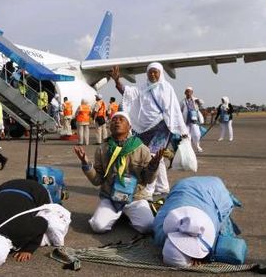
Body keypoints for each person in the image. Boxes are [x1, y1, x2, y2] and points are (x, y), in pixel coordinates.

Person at [74, 111, 162, 233]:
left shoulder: (141, 149)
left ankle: (125, 214)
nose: (117, 121)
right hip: (111, 197)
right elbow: (97, 180)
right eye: (114, 120)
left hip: (135, 198)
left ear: (129, 127)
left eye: (121, 119)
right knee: (98, 227)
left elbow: (148, 180)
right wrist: (85, 163)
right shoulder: (102, 149)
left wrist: (153, 166)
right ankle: (118, 214)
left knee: (147, 226)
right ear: (109, 126)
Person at [111, 63, 188, 199]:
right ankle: (163, 186)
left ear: (160, 73)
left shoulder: (166, 88)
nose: (152, 75)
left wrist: (181, 128)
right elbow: (127, 92)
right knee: (156, 156)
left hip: (162, 126)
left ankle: (149, 189)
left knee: (152, 156)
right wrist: (117, 80)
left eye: (155, 72)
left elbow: (174, 108)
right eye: (150, 72)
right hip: (145, 127)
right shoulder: (143, 88)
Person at [152, 176, 243, 267]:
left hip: (213, 188)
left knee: (226, 236)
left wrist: (201, 257)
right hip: (183, 185)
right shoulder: (161, 229)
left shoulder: (211, 225)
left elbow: (210, 245)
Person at [0, 179, 51, 266]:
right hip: (5, 187)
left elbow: (43, 223)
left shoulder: (21, 231)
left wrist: (28, 249)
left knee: (47, 212)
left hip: (35, 190)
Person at [180, 87, 204, 153]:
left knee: (197, 134)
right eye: (187, 91)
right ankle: (189, 149)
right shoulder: (182, 101)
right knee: (187, 136)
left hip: (194, 120)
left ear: (192, 93)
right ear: (185, 93)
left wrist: (198, 101)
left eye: (190, 92)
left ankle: (197, 146)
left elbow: (201, 104)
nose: (188, 93)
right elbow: (180, 110)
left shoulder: (195, 99)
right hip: (186, 121)